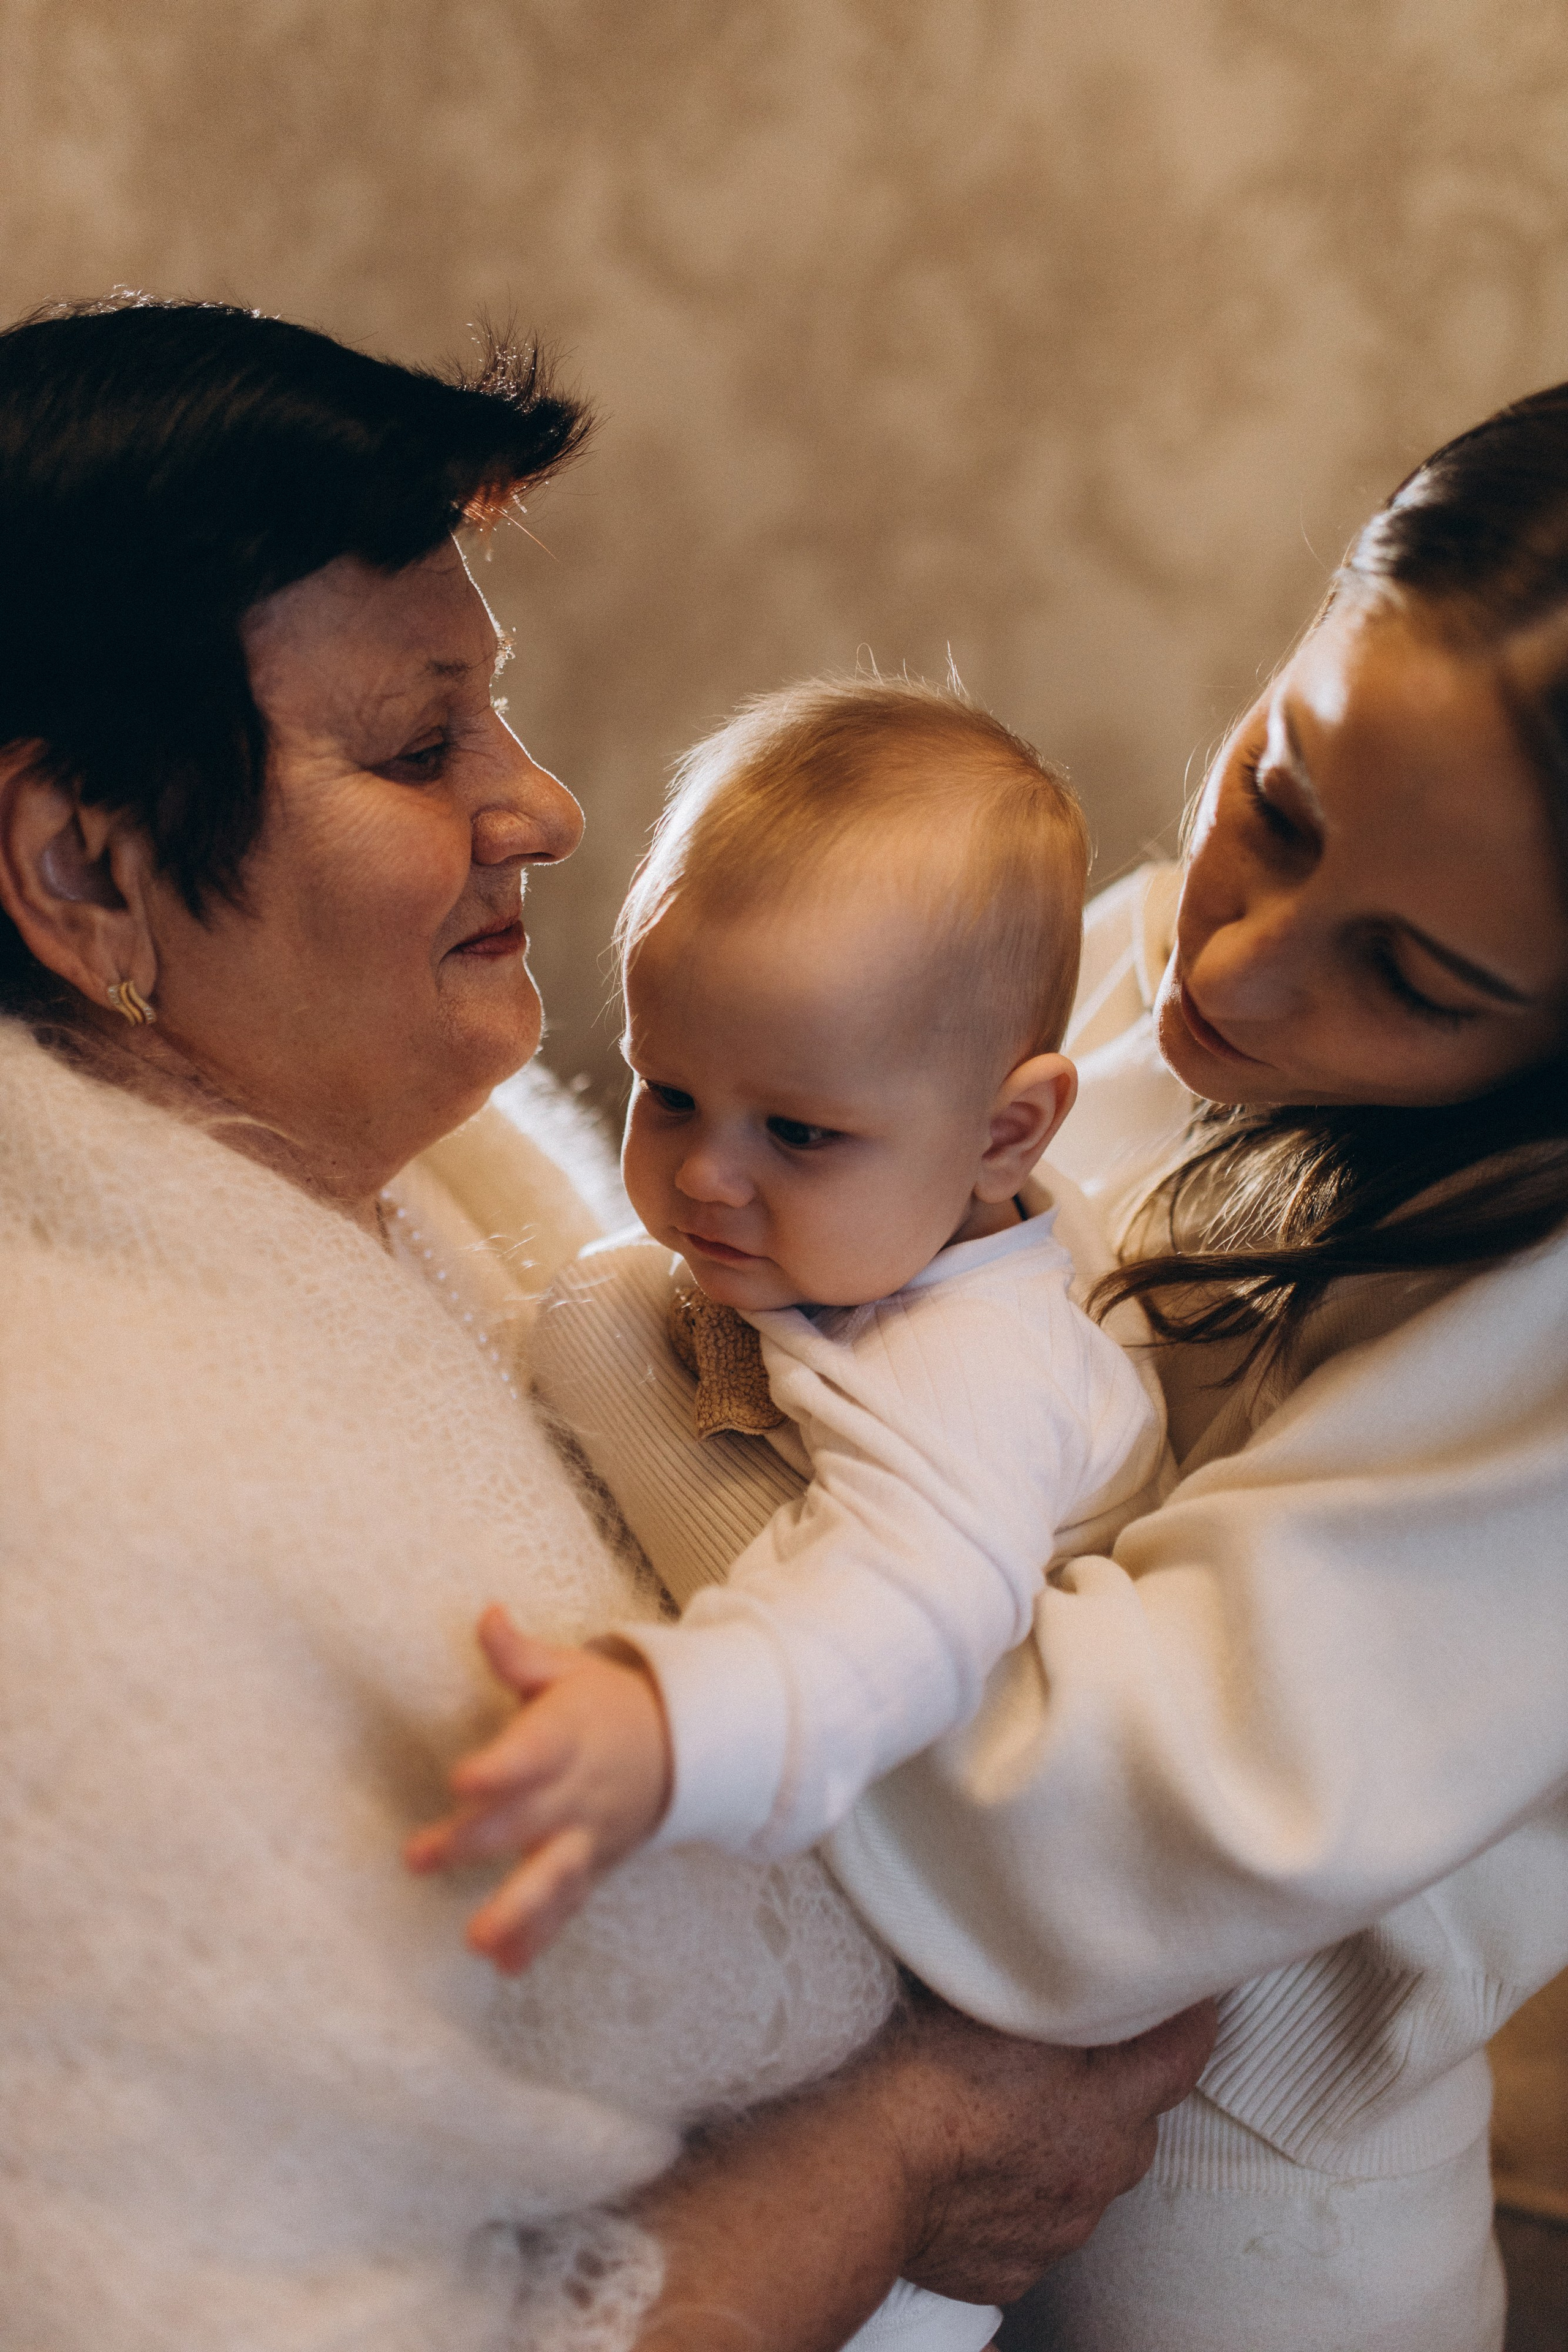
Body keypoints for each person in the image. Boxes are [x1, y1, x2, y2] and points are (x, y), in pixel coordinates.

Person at [0, 294, 1210, 2352]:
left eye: (496, 713)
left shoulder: (434, 1183)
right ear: (87, 871)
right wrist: (920, 2142)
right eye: (417, 745)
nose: (544, 802)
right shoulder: (72, 1509)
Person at [469, 388, 1568, 2352]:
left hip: (1247, 2252)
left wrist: (638, 1376)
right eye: (1280, 803)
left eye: (1413, 979)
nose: (1226, 972)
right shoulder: (1136, 981)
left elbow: (1053, 1844)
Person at [408, 677, 1166, 1993]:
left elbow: (894, 1617)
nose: (705, 1176)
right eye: (671, 1093)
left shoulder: (974, 1364)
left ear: (1005, 1137)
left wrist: (665, 1726)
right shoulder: (902, 1227)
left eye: (799, 1133)